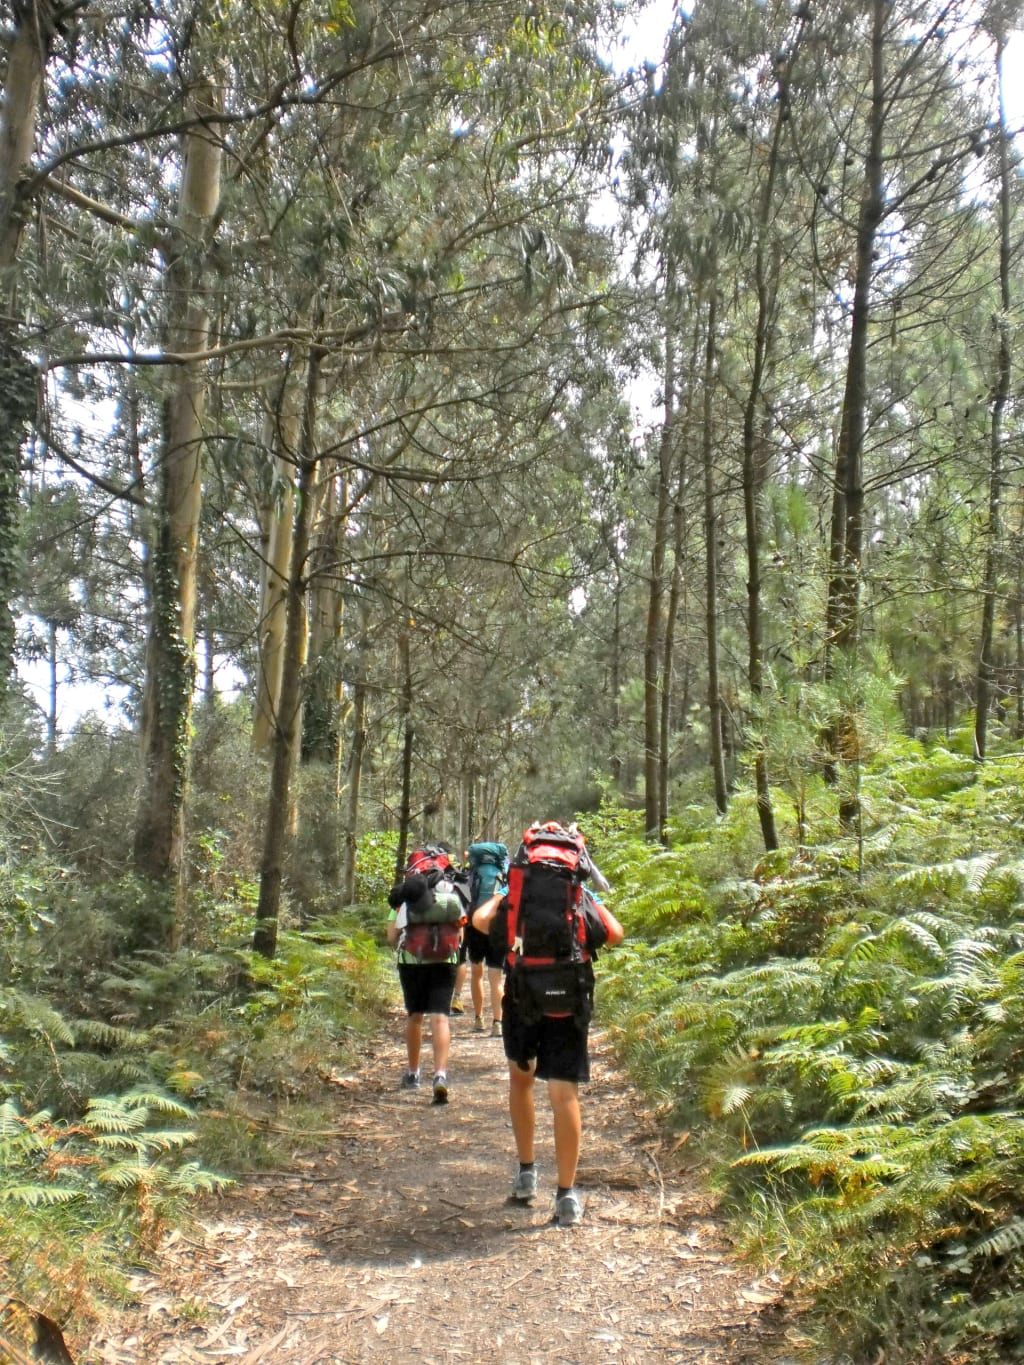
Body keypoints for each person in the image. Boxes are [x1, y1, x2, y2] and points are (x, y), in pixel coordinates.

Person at [472, 823, 624, 1227]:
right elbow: (615, 933)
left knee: (521, 1079)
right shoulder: (576, 893)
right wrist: (581, 901)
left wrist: (506, 892)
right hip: (568, 1000)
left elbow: (480, 921)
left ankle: (526, 1172)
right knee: (564, 1094)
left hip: (523, 997)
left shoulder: (517, 893)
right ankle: (567, 1194)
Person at [386, 866, 465, 1105]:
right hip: (445, 962)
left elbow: (392, 938)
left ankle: (413, 1073)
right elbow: (460, 936)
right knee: (440, 1017)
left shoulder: (405, 903)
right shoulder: (451, 901)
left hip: (411, 963)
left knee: (415, 1017)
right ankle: (440, 1074)